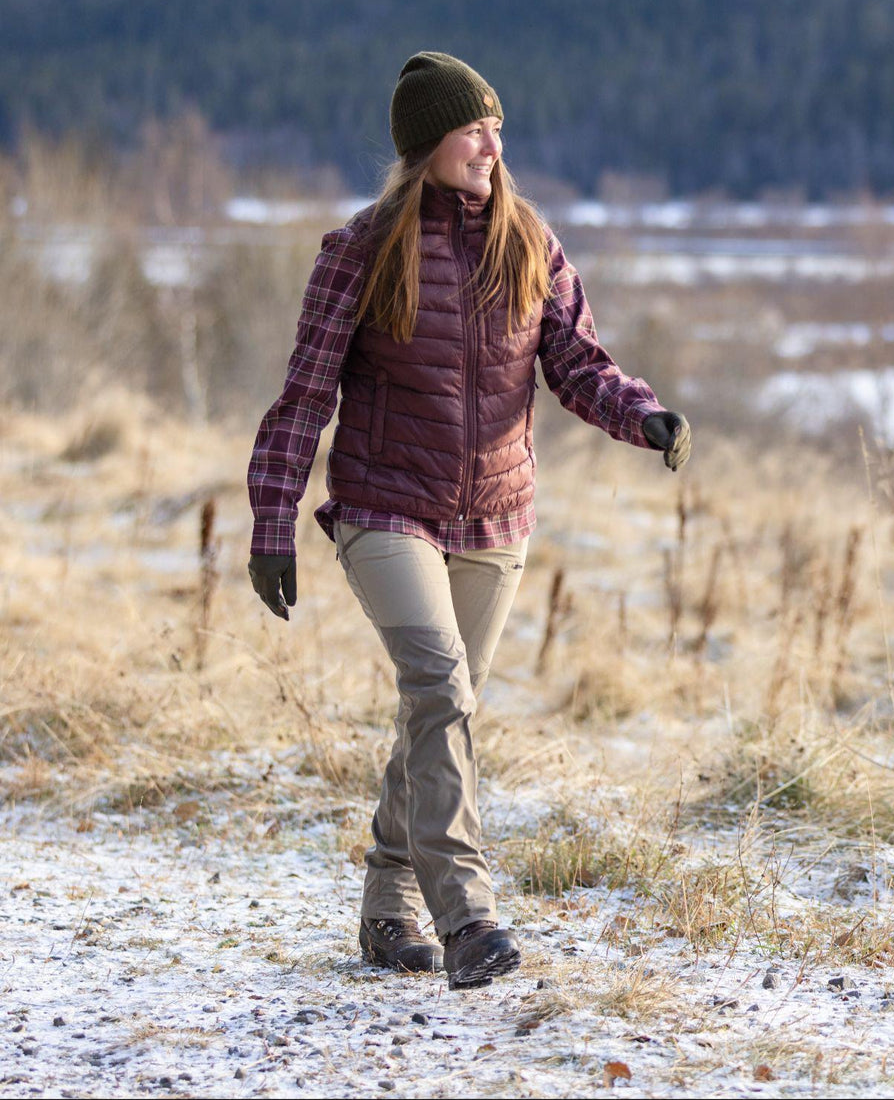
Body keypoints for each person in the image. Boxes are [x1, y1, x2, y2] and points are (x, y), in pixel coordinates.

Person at [247, 51, 691, 990]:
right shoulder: (361, 252)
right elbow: (303, 398)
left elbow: (580, 363)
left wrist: (642, 416)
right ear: (425, 144)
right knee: (441, 688)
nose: (491, 144)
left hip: (495, 520)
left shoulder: (528, 242)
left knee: (435, 713)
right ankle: (468, 917)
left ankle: (385, 906)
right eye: (472, 127)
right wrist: (271, 521)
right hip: (384, 510)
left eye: (496, 127)